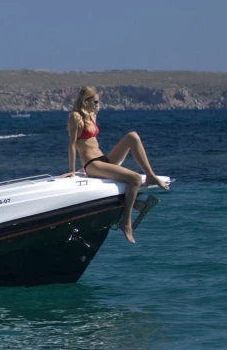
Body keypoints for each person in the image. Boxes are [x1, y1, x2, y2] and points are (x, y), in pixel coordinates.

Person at [62, 86, 169, 244]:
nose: (98, 105)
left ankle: (151, 175)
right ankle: (126, 222)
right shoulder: (75, 117)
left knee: (133, 136)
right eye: (95, 102)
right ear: (86, 101)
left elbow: (94, 121)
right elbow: (72, 144)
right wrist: (72, 170)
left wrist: (96, 107)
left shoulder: (92, 114)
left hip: (103, 159)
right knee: (134, 179)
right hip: (92, 164)